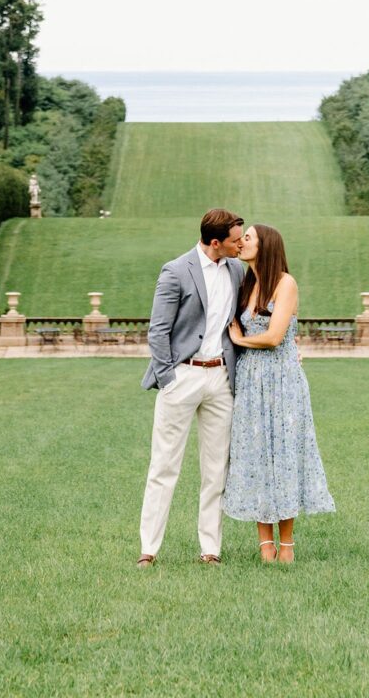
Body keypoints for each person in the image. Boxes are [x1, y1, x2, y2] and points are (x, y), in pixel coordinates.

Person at [137, 208, 245, 568]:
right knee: (164, 466)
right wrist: (169, 378)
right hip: (182, 376)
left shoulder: (236, 270)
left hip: (220, 380)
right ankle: (149, 550)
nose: (241, 244)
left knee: (216, 471)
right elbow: (158, 331)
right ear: (215, 243)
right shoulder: (175, 271)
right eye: (235, 240)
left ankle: (210, 549)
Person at [223, 224, 335, 563]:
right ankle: (265, 545)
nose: (242, 242)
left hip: (282, 380)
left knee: (284, 454)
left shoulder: (285, 284)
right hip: (251, 380)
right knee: (256, 454)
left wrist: (241, 340)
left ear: (266, 245)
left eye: (249, 238)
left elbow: (274, 337)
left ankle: (286, 545)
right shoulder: (247, 284)